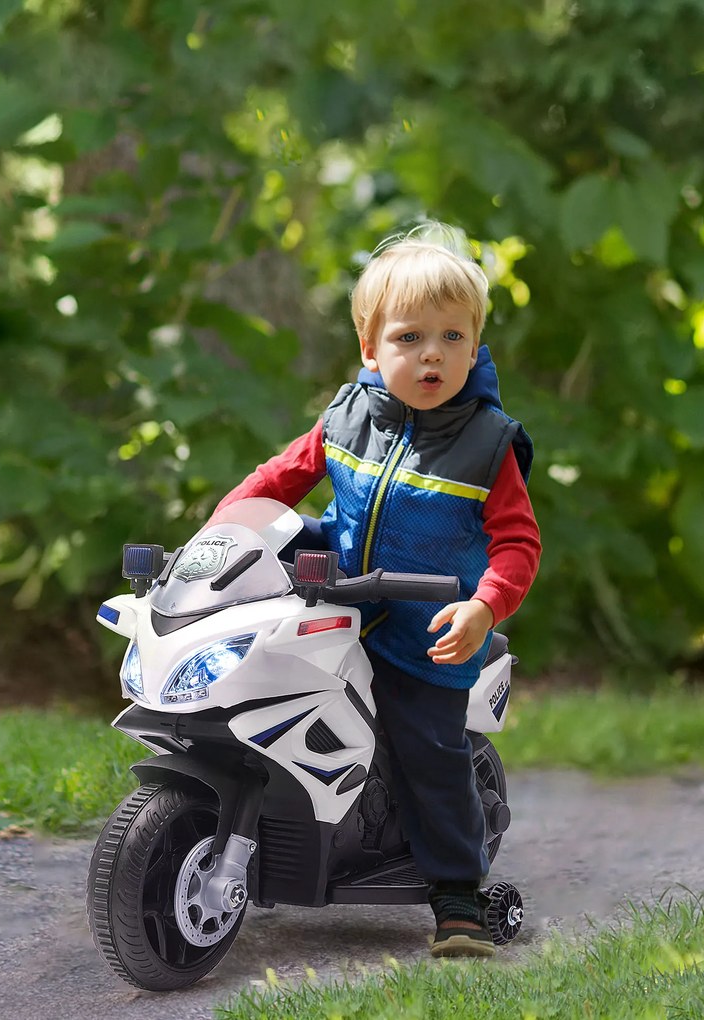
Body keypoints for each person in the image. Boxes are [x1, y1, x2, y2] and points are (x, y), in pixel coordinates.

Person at [214, 222, 541, 957]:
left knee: (428, 748)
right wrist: (226, 528)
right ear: (370, 347)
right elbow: (280, 478)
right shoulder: (346, 416)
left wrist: (483, 604)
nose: (433, 354)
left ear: (476, 346)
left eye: (453, 338)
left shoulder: (487, 442)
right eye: (411, 337)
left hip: (427, 627)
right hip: (332, 597)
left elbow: (518, 544)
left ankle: (457, 895)